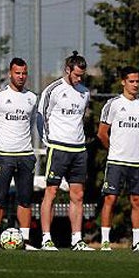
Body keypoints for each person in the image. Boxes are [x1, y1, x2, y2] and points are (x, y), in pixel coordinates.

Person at [36, 51, 92, 251]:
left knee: (77, 195)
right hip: (58, 148)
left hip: (79, 149)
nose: (79, 78)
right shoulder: (53, 90)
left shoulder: (85, 92)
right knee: (51, 192)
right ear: (67, 70)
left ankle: (77, 239)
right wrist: (47, 141)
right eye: (76, 74)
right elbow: (41, 115)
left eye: (81, 76)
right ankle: (46, 238)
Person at [0, 58, 39, 251]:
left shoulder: (32, 98)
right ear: (10, 73)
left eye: (24, 73)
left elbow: (34, 123)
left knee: (25, 199)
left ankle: (26, 240)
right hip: (4, 155)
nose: (21, 77)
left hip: (25, 154)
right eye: (17, 73)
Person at [97, 66, 139, 252]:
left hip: (138, 162)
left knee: (137, 201)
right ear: (123, 82)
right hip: (116, 161)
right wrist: (114, 150)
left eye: (137, 81)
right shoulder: (113, 104)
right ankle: (105, 241)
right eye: (131, 81)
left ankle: (138, 242)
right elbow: (102, 133)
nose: (135, 85)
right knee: (110, 199)